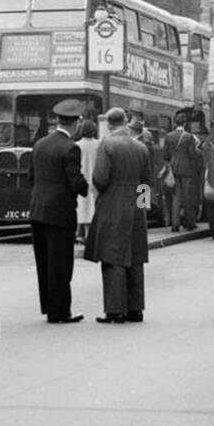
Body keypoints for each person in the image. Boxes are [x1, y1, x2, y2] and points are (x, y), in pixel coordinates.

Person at [86, 108, 152, 323]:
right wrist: (143, 207)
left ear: (109, 124)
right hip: (136, 205)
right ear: (125, 122)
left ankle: (115, 311)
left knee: (112, 256)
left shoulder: (107, 144)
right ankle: (135, 309)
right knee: (135, 256)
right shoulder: (141, 147)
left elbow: (100, 178)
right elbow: (146, 181)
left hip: (113, 203)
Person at [28, 98, 89, 324]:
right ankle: (60, 311)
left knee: (43, 262)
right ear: (75, 124)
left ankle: (48, 306)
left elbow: (30, 177)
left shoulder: (40, 144)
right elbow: (76, 182)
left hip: (37, 210)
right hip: (60, 213)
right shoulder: (70, 148)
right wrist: (86, 189)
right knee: (61, 263)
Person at [169, 123, 204, 232]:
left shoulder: (168, 136)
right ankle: (189, 223)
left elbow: (166, 155)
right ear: (185, 125)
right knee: (188, 197)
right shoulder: (188, 137)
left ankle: (175, 224)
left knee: (176, 197)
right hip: (187, 171)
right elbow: (192, 154)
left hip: (174, 169)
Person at [74, 119, 99, 245]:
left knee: (82, 208)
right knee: (92, 208)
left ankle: (81, 233)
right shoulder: (99, 144)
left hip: (81, 180)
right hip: (95, 181)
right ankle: (89, 235)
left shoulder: (76, 145)